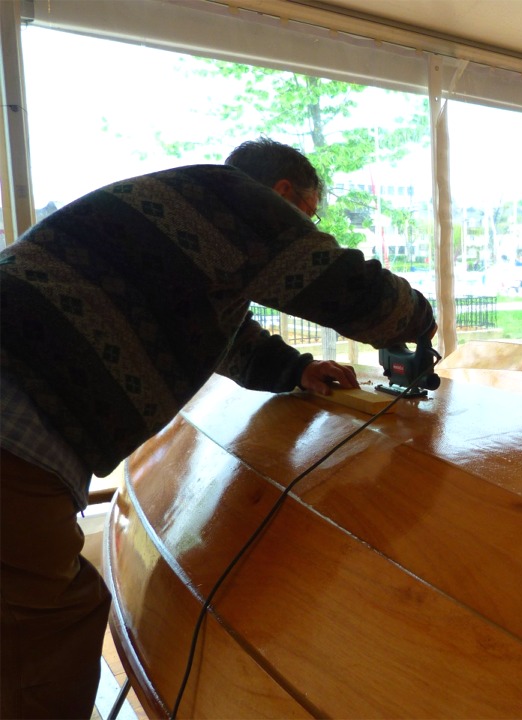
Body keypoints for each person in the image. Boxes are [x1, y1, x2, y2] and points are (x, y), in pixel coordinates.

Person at [0, 139, 435, 718]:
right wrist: (419, 321)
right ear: (282, 195)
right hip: (15, 423)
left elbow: (225, 338)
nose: (303, 231)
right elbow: (343, 285)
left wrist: (296, 369)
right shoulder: (236, 200)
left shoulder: (187, 212)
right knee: (47, 627)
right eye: (305, 218)